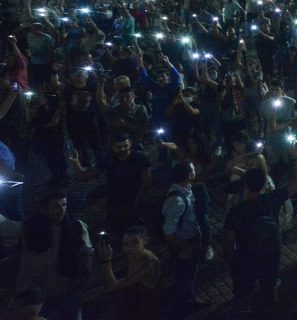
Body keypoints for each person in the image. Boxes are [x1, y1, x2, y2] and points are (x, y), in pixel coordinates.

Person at [222, 139, 297, 308]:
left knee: (243, 293)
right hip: (271, 253)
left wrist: (232, 261)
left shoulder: (236, 212)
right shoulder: (272, 199)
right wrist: (295, 157)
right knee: (269, 289)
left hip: (246, 258)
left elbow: (228, 243)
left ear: (245, 186)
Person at [15, 189, 93, 320]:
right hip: (40, 294)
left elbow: (86, 254)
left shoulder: (76, 227)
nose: (62, 209)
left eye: (64, 204)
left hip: (68, 291)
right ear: (44, 209)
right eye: (56, 206)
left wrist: (83, 279)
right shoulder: (30, 229)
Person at [68, 132, 151, 239]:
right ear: (113, 147)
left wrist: (138, 200)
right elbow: (85, 175)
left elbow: (147, 182)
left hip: (133, 199)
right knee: (115, 228)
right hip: (114, 201)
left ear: (130, 144)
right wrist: (76, 163)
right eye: (118, 147)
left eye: (125, 146)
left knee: (134, 228)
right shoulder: (109, 159)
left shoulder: (139, 158)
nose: (122, 150)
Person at [161, 162, 207, 312]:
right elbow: (168, 232)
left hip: (190, 238)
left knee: (186, 273)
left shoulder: (185, 189)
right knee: (186, 274)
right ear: (189, 175)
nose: (196, 171)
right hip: (183, 242)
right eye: (194, 169)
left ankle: (183, 294)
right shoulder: (177, 200)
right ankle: (188, 302)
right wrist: (184, 248)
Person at [95, 226, 164, 320]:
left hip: (144, 308)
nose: (130, 247)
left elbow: (112, 287)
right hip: (136, 303)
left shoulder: (148, 262)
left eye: (135, 242)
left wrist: (107, 260)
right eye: (126, 244)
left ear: (145, 241)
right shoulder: (136, 255)